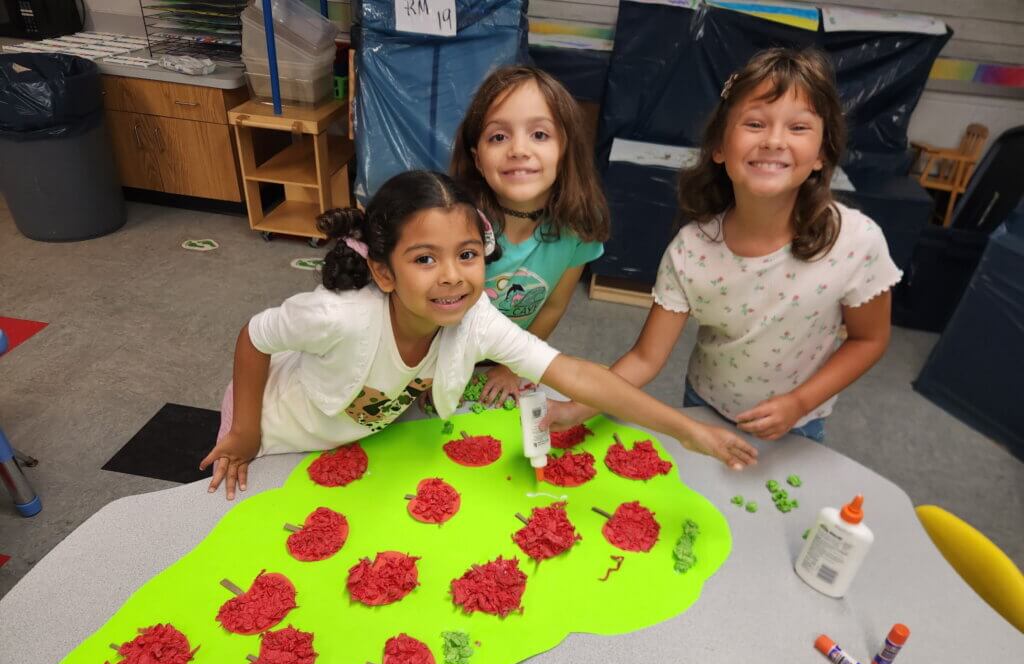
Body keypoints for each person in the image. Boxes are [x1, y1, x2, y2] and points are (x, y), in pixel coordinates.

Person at [201, 171, 756, 499]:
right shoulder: (337, 317)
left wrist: (688, 431)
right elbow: (254, 338)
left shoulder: (475, 317)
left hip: (350, 437)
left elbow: (576, 375)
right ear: (384, 272)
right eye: (425, 258)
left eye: (467, 255)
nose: (451, 275)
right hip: (271, 433)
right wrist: (246, 432)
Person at [548, 48, 901, 443]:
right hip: (704, 407)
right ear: (719, 147)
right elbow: (645, 358)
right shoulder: (690, 251)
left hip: (802, 424)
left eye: (798, 128)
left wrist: (800, 402)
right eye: (754, 123)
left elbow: (869, 339)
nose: (774, 140)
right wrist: (576, 408)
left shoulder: (856, 241)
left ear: (821, 154)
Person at [451, 65, 609, 406]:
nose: (519, 149)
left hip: (508, 353)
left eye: (540, 134)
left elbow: (552, 305)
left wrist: (513, 366)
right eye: (498, 136)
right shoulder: (452, 218)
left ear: (566, 149)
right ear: (477, 159)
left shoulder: (579, 224)